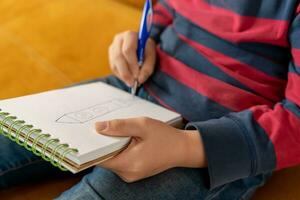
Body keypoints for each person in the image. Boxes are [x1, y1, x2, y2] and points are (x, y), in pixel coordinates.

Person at [1, 0, 300, 199]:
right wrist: (145, 41)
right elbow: (167, 13)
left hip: (216, 145)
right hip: (132, 90)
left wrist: (184, 147)